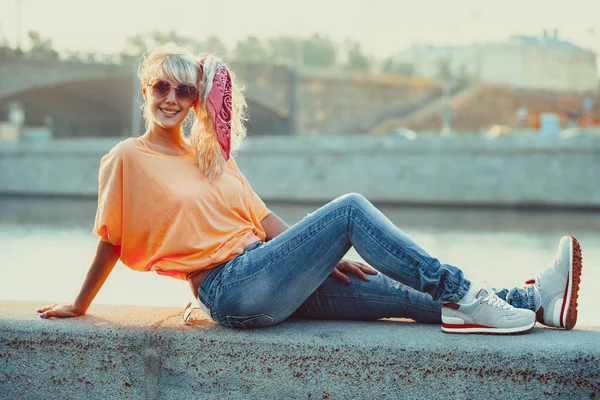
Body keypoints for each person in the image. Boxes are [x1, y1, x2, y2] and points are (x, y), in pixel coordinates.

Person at [36, 44, 583, 334]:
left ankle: (537, 302)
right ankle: (464, 292)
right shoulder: (129, 157)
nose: (172, 99)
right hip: (230, 290)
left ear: (195, 100)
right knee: (348, 210)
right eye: (161, 87)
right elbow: (109, 237)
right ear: (145, 90)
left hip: (270, 275)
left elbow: (266, 222)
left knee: (402, 296)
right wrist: (79, 304)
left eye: (184, 89)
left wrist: (315, 256)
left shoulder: (211, 159)